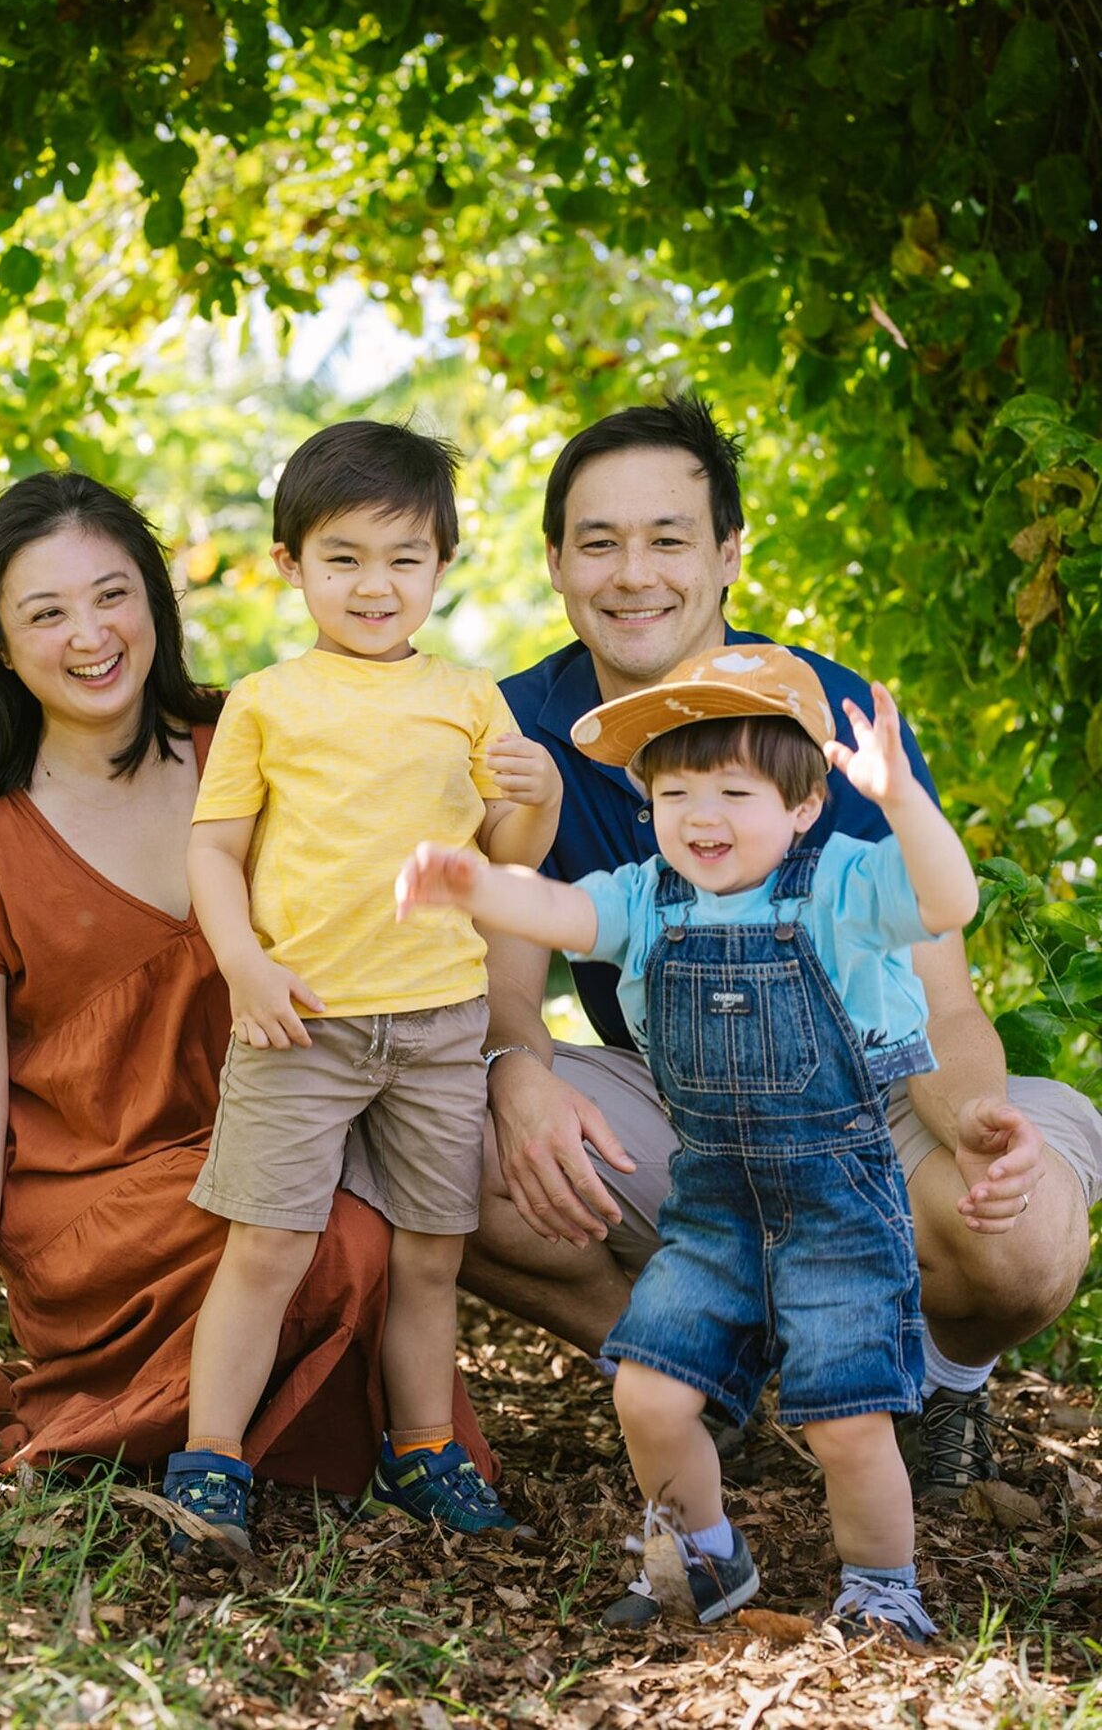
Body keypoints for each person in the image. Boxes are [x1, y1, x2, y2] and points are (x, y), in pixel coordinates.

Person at [463, 392, 1102, 1500]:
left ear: (727, 555)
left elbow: (943, 1001)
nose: (634, 573)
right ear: (557, 562)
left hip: (870, 1088)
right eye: (599, 542)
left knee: (1028, 1226)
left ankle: (938, 1384)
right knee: (424, 1133)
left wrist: (975, 1129)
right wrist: (517, 1076)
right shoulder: (519, 730)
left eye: (669, 538)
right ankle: (698, 1377)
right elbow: (505, 982)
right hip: (682, 1095)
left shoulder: (823, 714)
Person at [0, 470, 495, 1499]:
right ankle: (216, 1452)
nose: (90, 633)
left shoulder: (254, 737)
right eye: (46, 612)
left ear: (154, 601)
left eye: (112, 593)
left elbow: (436, 870)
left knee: (445, 1202)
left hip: (300, 1116)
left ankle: (689, 1373)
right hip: (107, 1195)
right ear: (2, 644)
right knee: (333, 1238)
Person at [401, 644, 981, 1635]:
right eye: (674, 791)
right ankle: (705, 1556)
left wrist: (902, 802)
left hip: (836, 1199)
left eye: (732, 789)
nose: (700, 815)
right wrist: (475, 882)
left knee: (846, 1421)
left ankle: (883, 1587)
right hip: (713, 1203)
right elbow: (559, 907)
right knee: (650, 1391)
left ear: (803, 805)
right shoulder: (647, 895)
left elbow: (947, 901)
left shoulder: (842, 882)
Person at [164, 421, 561, 1550]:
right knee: (270, 1244)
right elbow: (212, 849)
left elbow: (508, 855)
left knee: (431, 1249)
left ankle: (422, 1450)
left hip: (440, 1021)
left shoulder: (471, 697)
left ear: (442, 565)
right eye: (342, 556)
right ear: (290, 565)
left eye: (404, 558)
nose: (374, 584)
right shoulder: (268, 700)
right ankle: (211, 1455)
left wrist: (533, 793)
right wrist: (243, 962)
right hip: (304, 1021)